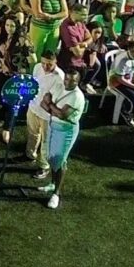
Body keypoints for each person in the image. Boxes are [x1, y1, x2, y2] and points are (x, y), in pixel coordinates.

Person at [36, 79, 87, 210]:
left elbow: (63, 115)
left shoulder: (77, 96)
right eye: (67, 79)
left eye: (73, 80)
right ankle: (53, 183)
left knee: (60, 159)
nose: (68, 82)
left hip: (66, 131)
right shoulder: (58, 86)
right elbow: (43, 104)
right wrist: (53, 109)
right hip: (53, 126)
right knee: (51, 157)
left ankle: (56, 194)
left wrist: (50, 104)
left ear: (78, 81)